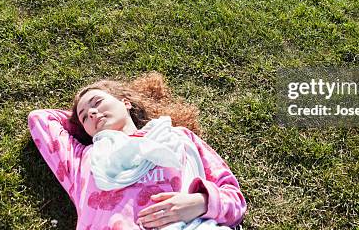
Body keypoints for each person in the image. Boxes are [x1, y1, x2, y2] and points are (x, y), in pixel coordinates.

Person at [28, 72, 247, 230]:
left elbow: (234, 200)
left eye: (98, 102)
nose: (92, 113)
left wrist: (199, 203)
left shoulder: (176, 137)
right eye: (85, 116)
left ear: (126, 103)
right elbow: (40, 119)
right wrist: (84, 123)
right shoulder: (82, 161)